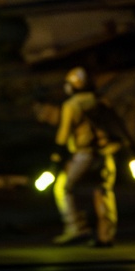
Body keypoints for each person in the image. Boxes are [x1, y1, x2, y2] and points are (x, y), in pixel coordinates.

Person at [51, 67, 119, 247]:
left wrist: (56, 159)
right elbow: (117, 126)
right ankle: (106, 236)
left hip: (84, 154)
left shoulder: (71, 105)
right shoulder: (101, 101)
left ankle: (76, 228)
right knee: (103, 192)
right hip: (105, 154)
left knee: (64, 188)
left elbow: (63, 135)